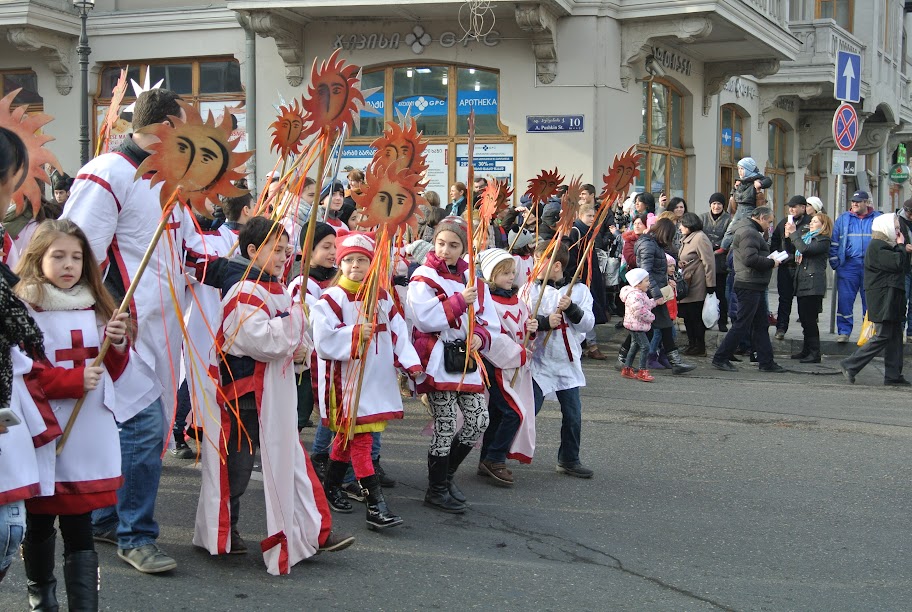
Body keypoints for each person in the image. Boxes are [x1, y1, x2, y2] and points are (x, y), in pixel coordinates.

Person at [63, 88, 204, 573]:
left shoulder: (172, 178)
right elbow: (75, 256)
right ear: (165, 127)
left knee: (141, 428)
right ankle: (136, 535)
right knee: (143, 430)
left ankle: (105, 515)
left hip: (162, 327)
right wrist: (97, 320)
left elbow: (184, 252)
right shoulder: (107, 173)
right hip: (120, 330)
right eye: (182, 130)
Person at [194, 216, 353, 572]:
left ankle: (311, 530)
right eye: (275, 249)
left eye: (285, 249)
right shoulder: (243, 290)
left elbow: (296, 338)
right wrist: (295, 330)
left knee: (292, 463)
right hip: (245, 394)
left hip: (275, 392)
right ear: (252, 251)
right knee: (235, 466)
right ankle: (225, 530)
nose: (283, 256)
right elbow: (256, 339)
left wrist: (300, 345)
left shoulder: (280, 288)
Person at [14, 219, 158, 610]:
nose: (68, 264)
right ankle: (41, 598)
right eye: (58, 256)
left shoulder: (97, 306)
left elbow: (113, 370)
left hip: (86, 431)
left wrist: (115, 345)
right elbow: (20, 369)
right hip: (43, 430)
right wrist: (72, 380)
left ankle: (84, 605)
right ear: (37, 258)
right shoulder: (22, 306)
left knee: (79, 523)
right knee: (40, 519)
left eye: (76, 257)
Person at [313, 231, 422, 529]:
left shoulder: (382, 298)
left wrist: (411, 365)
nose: (355, 266)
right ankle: (376, 506)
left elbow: (398, 334)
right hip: (347, 383)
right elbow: (322, 340)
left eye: (362, 260)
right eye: (349, 260)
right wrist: (351, 335)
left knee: (347, 440)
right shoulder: (331, 299)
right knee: (361, 441)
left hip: (376, 381)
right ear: (340, 263)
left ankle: (331, 486)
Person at [407, 216, 498, 513]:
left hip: (466, 360)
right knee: (445, 425)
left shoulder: (473, 278)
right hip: (436, 358)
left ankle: (446, 476)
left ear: (464, 247)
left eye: (454, 245)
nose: (446, 250)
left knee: (478, 420)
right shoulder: (423, 276)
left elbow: (488, 321)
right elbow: (424, 318)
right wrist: (460, 301)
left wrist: (480, 338)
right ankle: (436, 489)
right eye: (441, 243)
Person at [522, 241, 595, 478]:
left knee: (573, 415)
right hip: (539, 362)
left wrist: (572, 308)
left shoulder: (579, 290)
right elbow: (522, 320)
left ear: (556, 266)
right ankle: (495, 455)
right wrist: (543, 322)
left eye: (539, 260)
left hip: (566, 362)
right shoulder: (529, 289)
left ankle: (569, 459)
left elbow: (588, 324)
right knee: (525, 412)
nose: (534, 264)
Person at [477, 248, 537, 486]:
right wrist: (515, 353)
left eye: (512, 272)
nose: (511, 277)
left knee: (499, 412)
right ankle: (495, 459)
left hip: (514, 365)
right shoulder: (488, 302)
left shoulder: (519, 301)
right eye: (504, 273)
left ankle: (486, 459)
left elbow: (524, 334)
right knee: (514, 413)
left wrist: (531, 329)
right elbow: (492, 337)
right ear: (492, 275)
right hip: (497, 364)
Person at [712, 207, 786, 373]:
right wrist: (771, 262)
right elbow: (750, 259)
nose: (769, 225)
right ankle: (721, 357)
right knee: (742, 324)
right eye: (769, 221)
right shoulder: (749, 232)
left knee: (761, 324)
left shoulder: (749, 230)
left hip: (754, 283)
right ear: (760, 218)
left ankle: (766, 362)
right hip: (749, 284)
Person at [840, 213, 911, 386]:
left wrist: (901, 248)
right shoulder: (877, 246)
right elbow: (897, 264)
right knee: (883, 335)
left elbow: (902, 264)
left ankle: (893, 375)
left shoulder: (888, 246)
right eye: (895, 228)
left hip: (892, 298)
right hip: (883, 299)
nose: (898, 231)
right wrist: (902, 247)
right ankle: (850, 364)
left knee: (894, 336)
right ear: (885, 228)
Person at [634, 218, 695, 374]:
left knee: (661, 327)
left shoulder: (654, 244)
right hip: (651, 293)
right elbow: (645, 272)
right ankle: (675, 362)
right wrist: (656, 292)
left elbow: (655, 270)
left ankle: (675, 362)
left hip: (655, 290)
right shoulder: (649, 245)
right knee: (643, 328)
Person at [829, 191, 882, 342]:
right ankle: (844, 332)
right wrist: (836, 264)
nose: (854, 204)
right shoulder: (843, 219)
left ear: (867, 202)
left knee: (870, 301)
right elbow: (834, 243)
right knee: (845, 300)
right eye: (853, 201)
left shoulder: (877, 218)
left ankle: (869, 333)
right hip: (848, 266)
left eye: (858, 201)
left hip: (871, 267)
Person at [785, 212, 832, 363]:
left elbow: (805, 250)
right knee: (804, 319)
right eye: (811, 221)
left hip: (813, 284)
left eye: (815, 221)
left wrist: (793, 234)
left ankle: (815, 352)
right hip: (803, 282)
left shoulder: (822, 239)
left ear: (823, 225)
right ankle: (806, 350)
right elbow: (796, 249)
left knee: (810, 319)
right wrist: (789, 236)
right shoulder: (806, 237)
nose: (811, 223)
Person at [568, 202, 608, 360]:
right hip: (581, 275)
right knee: (587, 307)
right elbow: (573, 255)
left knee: (589, 306)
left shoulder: (590, 231)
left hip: (590, 273)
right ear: (580, 216)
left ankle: (585, 344)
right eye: (589, 216)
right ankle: (592, 345)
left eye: (594, 216)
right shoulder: (576, 231)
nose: (592, 219)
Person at [771, 195, 811, 340]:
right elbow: (774, 240)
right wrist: (778, 255)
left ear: (803, 207)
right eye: (790, 207)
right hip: (786, 266)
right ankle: (781, 327)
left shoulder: (810, 222)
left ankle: (807, 331)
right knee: (784, 299)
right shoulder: (784, 223)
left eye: (795, 206)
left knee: (804, 300)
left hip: (803, 267)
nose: (792, 209)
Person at [677, 212, 716, 356]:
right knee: (687, 316)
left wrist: (710, 284)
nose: (680, 227)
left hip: (697, 284)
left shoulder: (700, 237)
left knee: (695, 317)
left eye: (683, 224)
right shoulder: (687, 237)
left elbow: (709, 262)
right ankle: (691, 344)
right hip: (687, 282)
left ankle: (700, 346)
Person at [620, 268, 663, 382]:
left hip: (636, 325)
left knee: (635, 346)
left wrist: (655, 301)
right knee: (645, 347)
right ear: (638, 283)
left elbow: (647, 304)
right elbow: (639, 310)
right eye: (646, 281)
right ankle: (642, 370)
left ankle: (627, 368)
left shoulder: (640, 294)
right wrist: (651, 317)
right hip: (636, 325)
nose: (648, 283)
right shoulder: (635, 295)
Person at [722, 157, 772, 247]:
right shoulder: (741, 181)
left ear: (748, 169)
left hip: (750, 210)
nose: (740, 171)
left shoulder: (756, 179)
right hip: (739, 209)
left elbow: (768, 181)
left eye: (742, 169)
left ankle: (747, 247)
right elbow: (734, 194)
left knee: (747, 231)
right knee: (730, 230)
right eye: (739, 169)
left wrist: (760, 184)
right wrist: (734, 190)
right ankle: (723, 248)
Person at [701, 192, 732, 331]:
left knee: (721, 292)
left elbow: (729, 237)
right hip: (704, 260)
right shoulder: (703, 218)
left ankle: (722, 321)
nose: (716, 206)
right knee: (703, 291)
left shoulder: (728, 219)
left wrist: (718, 246)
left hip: (720, 261)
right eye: (714, 203)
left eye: (719, 204)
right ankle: (705, 320)